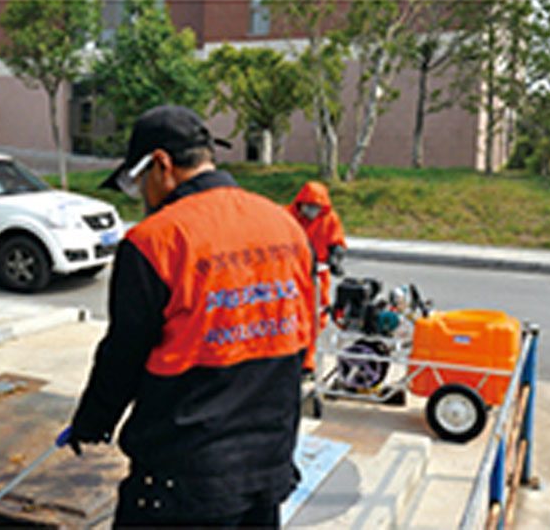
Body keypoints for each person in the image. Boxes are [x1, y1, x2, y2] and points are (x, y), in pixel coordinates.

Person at [67, 105, 316, 528]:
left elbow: (124, 356)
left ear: (161, 165)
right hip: (267, 467)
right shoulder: (287, 228)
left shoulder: (155, 241)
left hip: (181, 479)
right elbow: (302, 335)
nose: (142, 195)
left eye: (137, 182)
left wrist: (93, 421)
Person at [287, 181, 347, 374]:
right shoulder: (287, 216)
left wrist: (335, 257)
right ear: (300, 203)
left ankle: (307, 361)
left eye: (316, 207)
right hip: (292, 273)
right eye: (309, 206)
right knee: (290, 316)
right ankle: (289, 359)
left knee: (316, 317)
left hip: (318, 276)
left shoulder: (329, 219)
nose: (312, 211)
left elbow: (337, 242)